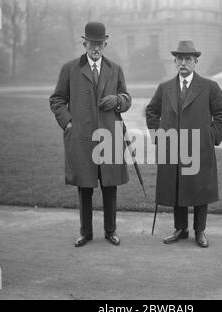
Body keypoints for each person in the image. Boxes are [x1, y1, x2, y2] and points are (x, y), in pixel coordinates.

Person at [50, 22, 131, 247]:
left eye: (100, 43)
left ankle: (110, 231)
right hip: (82, 137)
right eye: (92, 43)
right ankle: (85, 233)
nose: (96, 47)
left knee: (110, 185)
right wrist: (68, 124)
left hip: (109, 137)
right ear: (84, 43)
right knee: (84, 187)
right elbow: (57, 100)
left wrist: (118, 100)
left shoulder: (115, 69)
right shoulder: (70, 69)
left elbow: (127, 98)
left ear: (106, 43)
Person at [146, 40, 222, 248]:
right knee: (177, 188)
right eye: (180, 59)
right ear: (175, 61)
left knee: (200, 189)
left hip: (199, 149)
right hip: (173, 148)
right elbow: (151, 112)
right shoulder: (165, 88)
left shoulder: (209, 87)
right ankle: (180, 229)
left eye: (188, 59)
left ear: (195, 62)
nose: (183, 62)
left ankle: (199, 231)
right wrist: (159, 136)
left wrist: (210, 137)